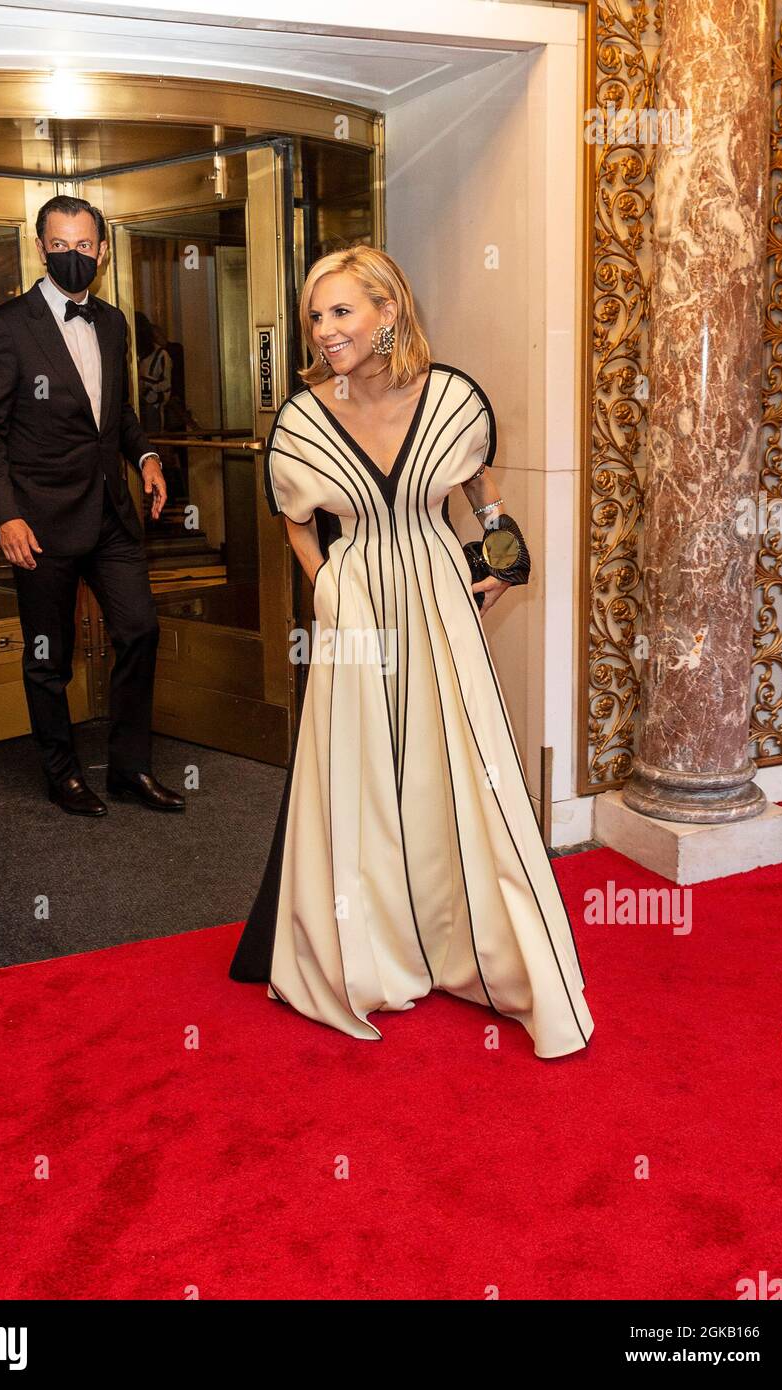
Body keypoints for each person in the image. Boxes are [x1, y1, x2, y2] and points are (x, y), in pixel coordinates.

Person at [230, 245, 593, 1058]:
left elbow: (486, 502)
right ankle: (369, 953)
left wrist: (503, 562)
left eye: (342, 312)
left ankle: (472, 949)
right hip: (356, 598)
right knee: (355, 774)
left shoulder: (455, 398)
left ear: (388, 312)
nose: (326, 331)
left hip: (436, 593)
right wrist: (328, 588)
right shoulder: (302, 416)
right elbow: (295, 517)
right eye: (316, 316)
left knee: (457, 763)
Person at [0, 195, 185, 817]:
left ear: (103, 251)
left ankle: (129, 769)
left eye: (83, 246)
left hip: (111, 515)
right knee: (48, 656)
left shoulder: (113, 323)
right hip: (37, 522)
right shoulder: (7, 326)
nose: (72, 256)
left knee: (140, 630)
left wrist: (143, 458)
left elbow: (115, 416)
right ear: (41, 247)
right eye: (59, 245)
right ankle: (61, 772)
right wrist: (6, 515)